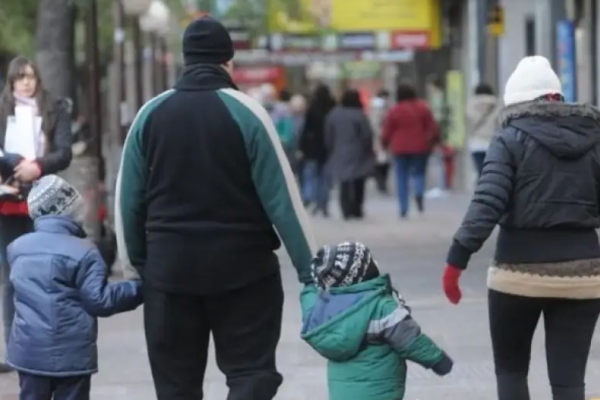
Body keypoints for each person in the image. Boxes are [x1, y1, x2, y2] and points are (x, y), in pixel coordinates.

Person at [114, 17, 316, 400]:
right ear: (229, 63)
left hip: (170, 272)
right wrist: (310, 270)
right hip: (244, 272)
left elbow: (128, 201)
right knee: (251, 375)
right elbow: (283, 201)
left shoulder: (149, 116)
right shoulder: (248, 113)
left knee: (176, 387)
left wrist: (138, 267)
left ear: (185, 61)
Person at [442, 56, 600, 400]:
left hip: (517, 272)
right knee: (570, 380)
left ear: (516, 102)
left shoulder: (509, 138)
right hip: (585, 272)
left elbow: (487, 202)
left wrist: (457, 260)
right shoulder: (594, 136)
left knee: (512, 370)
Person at [6, 175, 142, 400]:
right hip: (71, 357)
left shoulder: (17, 249)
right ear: (70, 210)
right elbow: (100, 300)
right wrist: (138, 288)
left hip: (28, 354)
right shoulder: (84, 251)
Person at [300, 242, 453, 400]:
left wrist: (310, 283)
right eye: (371, 260)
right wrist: (437, 359)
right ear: (363, 273)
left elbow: (308, 298)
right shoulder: (380, 306)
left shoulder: (326, 307)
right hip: (380, 393)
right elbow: (409, 340)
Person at [0, 56, 73, 373]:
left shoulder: (54, 107)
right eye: (19, 78)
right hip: (8, 201)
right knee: (11, 278)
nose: (25, 82)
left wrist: (37, 166)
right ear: (11, 82)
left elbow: (64, 151)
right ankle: (14, 346)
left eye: (30, 76)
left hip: (45, 201)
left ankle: (47, 344)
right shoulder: (2, 110)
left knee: (47, 275)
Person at [382, 82, 439, 218]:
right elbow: (432, 127)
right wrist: (434, 141)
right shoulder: (423, 108)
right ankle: (419, 192)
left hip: (399, 147)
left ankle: (403, 208)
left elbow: (387, 130)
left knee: (401, 177)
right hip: (420, 145)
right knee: (419, 173)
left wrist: (384, 143)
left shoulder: (394, 110)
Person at [325, 89, 374, 220]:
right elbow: (367, 135)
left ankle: (345, 209)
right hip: (358, 152)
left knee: (344, 182)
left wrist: (331, 148)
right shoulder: (360, 114)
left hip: (339, 151)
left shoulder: (334, 114)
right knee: (359, 181)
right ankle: (357, 208)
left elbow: (328, 134)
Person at [298, 84, 336, 216]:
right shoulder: (333, 108)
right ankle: (324, 204)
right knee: (325, 178)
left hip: (313, 148)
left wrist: (302, 147)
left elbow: (306, 129)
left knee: (313, 176)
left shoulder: (312, 108)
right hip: (328, 147)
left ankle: (313, 201)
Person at [467, 82, 501, 177]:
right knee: (493, 173)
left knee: (480, 173)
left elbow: (470, 124)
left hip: (476, 144)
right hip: (493, 143)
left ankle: (482, 190)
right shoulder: (497, 105)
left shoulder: (471, 106)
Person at [369, 88, 392, 193]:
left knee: (382, 161)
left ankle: (381, 182)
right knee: (382, 161)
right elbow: (376, 122)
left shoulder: (376, 105)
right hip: (381, 137)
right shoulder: (380, 106)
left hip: (381, 137)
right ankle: (381, 182)